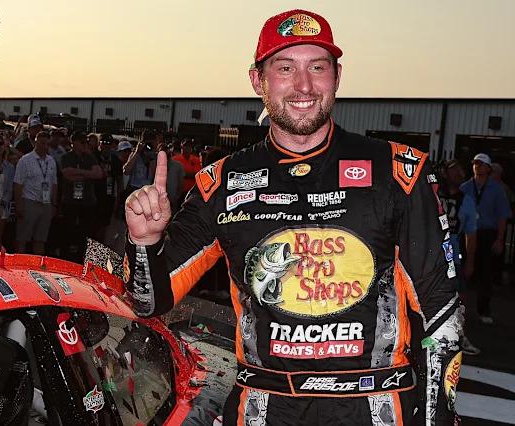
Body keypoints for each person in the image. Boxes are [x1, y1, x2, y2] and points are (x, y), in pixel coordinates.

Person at [124, 9, 461, 425]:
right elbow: (148, 302)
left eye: (317, 67)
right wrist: (144, 242)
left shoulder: (398, 173)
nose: (304, 85)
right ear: (257, 81)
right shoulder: (222, 183)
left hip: (374, 405)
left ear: (337, 77)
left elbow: (440, 314)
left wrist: (437, 418)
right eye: (285, 68)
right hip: (266, 407)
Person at [460, 153, 512, 324]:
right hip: (466, 233)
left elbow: (502, 216)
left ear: (488, 169)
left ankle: (484, 309)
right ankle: (458, 308)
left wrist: (500, 239)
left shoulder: (497, 189)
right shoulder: (465, 187)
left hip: (487, 233)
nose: (477, 166)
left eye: (481, 164)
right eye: (475, 163)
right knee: (462, 270)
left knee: (486, 272)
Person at [438, 159, 480, 355]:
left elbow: (471, 234)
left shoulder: (467, 200)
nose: (459, 173)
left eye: (461, 170)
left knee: (459, 297)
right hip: (429, 256)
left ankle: (459, 336)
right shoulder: (433, 195)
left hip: (452, 257)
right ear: (445, 173)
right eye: (454, 170)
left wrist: (469, 262)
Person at [59, 131, 103, 261]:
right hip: (70, 200)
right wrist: (88, 174)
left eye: (86, 142)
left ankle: (82, 258)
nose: (85, 145)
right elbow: (67, 174)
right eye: (82, 142)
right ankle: (65, 257)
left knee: (86, 232)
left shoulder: (90, 157)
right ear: (74, 143)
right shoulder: (66, 157)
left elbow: (98, 174)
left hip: (87, 201)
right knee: (68, 230)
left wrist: (77, 172)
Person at [13, 131, 58, 254]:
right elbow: (18, 184)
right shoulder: (25, 160)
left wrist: (54, 203)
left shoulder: (51, 161)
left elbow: (54, 183)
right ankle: (19, 262)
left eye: (47, 144)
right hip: (29, 201)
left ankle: (38, 263)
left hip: (46, 203)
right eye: (42, 143)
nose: (45, 146)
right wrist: (19, 205)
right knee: (22, 238)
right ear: (36, 143)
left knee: (40, 239)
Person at [93, 134, 123, 244]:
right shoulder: (94, 157)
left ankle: (100, 246)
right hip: (93, 196)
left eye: (108, 143)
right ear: (99, 143)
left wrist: (117, 201)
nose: (106, 146)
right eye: (104, 143)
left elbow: (120, 182)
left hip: (108, 197)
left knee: (105, 226)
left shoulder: (115, 160)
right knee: (93, 226)